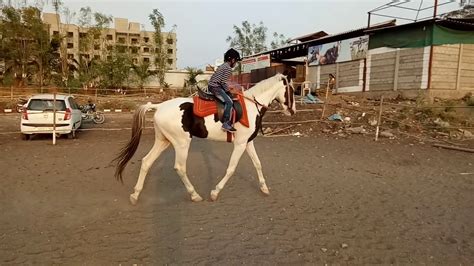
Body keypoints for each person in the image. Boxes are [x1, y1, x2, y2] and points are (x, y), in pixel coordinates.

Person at [208, 48, 241, 132]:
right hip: (215, 87)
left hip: (214, 85)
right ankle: (226, 123)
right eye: (236, 61)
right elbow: (223, 82)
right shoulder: (228, 68)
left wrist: (228, 90)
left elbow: (223, 82)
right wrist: (229, 91)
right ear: (233, 60)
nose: (236, 63)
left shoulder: (224, 65)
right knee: (229, 102)